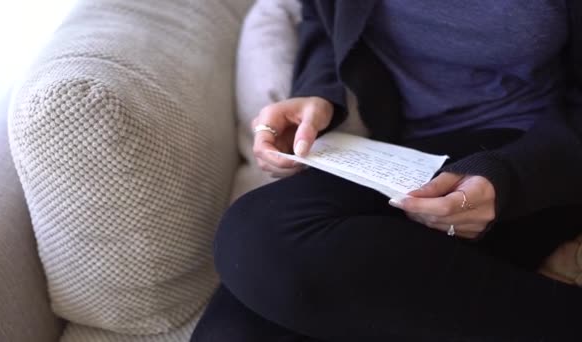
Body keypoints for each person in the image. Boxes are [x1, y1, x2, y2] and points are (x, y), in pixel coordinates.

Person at [191, 0, 582, 341]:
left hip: (540, 155)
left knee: (261, 237)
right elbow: (322, 16)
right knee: (229, 332)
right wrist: (320, 92)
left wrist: (511, 176)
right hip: (398, 151)